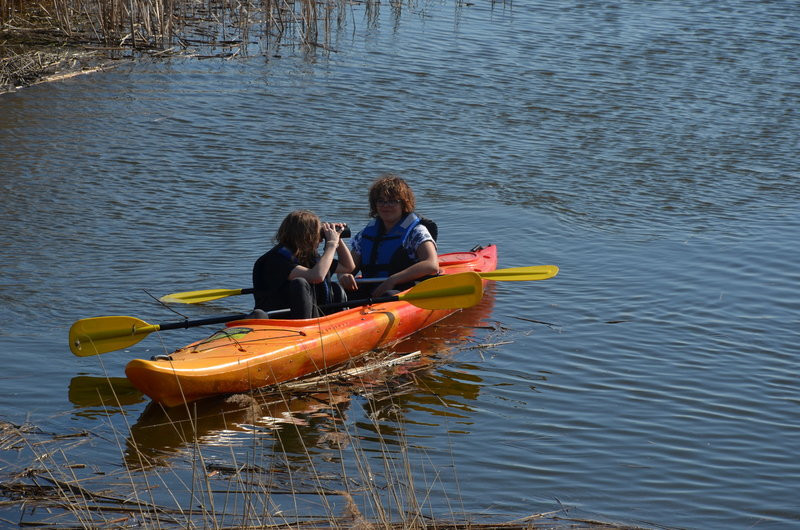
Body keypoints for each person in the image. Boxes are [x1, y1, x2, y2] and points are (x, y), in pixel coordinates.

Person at [339, 175, 439, 297]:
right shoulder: (365, 234)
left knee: (388, 295)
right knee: (337, 293)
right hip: (371, 289)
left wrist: (393, 280)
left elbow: (431, 264)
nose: (386, 206)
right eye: (381, 201)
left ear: (403, 204)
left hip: (402, 289)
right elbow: (347, 268)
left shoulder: (417, 232)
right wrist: (344, 277)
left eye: (392, 201)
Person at [252, 210, 355, 319]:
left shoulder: (308, 257)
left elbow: (348, 267)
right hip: (281, 321)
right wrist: (331, 244)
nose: (320, 240)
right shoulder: (275, 260)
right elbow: (317, 276)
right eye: (317, 234)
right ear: (306, 236)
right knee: (300, 283)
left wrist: (337, 237)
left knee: (336, 288)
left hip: (313, 320)